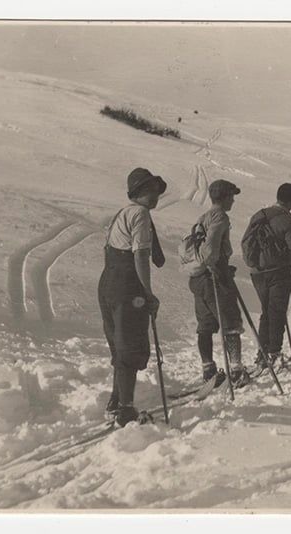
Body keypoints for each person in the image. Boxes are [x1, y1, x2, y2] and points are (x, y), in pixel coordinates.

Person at [98, 167, 166, 427]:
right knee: (130, 343)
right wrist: (148, 293)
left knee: (119, 343)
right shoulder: (140, 214)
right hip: (127, 285)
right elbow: (140, 256)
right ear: (139, 192)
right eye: (150, 190)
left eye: (156, 190)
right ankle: (125, 410)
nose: (155, 195)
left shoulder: (122, 213)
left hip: (108, 283)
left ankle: (116, 401)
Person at [186, 179, 251, 389]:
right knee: (231, 323)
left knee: (205, 326)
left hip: (197, 278)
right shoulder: (220, 217)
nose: (233, 200)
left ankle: (208, 369)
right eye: (232, 196)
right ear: (223, 197)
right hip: (214, 277)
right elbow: (212, 249)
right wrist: (218, 266)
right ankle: (236, 371)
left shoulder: (201, 218)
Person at [243, 183, 291, 369]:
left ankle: (262, 352)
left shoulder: (259, 215)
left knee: (266, 312)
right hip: (277, 271)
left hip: (257, 272)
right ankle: (274, 352)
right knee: (277, 312)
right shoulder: (286, 220)